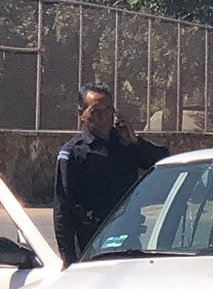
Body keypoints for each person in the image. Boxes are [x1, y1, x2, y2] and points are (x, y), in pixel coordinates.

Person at [54, 82, 168, 267]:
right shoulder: (73, 153)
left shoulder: (125, 144)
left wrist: (135, 140)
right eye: (95, 111)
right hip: (92, 243)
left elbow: (163, 163)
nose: (104, 117)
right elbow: (63, 209)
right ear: (81, 114)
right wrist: (68, 259)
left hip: (129, 238)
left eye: (108, 110)